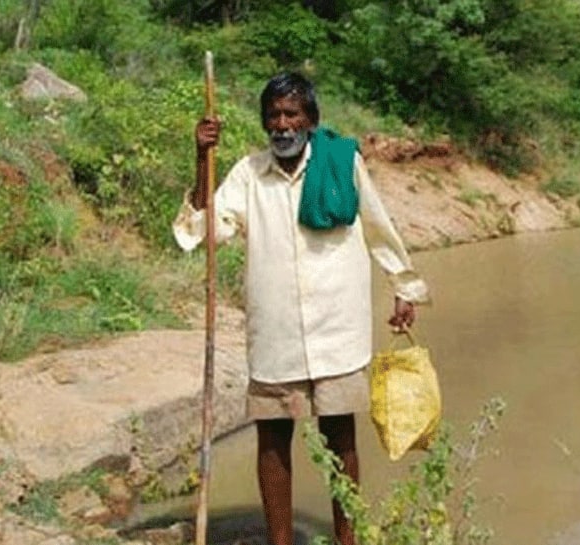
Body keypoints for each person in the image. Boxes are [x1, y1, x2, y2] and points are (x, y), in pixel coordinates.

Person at [173, 71, 430, 545]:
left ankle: (346, 537)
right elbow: (206, 231)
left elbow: (378, 225)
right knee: (272, 438)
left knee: (341, 437)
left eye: (292, 114)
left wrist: (404, 286)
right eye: (273, 116)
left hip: (338, 328)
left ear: (311, 119)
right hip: (277, 333)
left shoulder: (340, 163)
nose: (283, 125)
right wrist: (200, 158)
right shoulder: (249, 174)